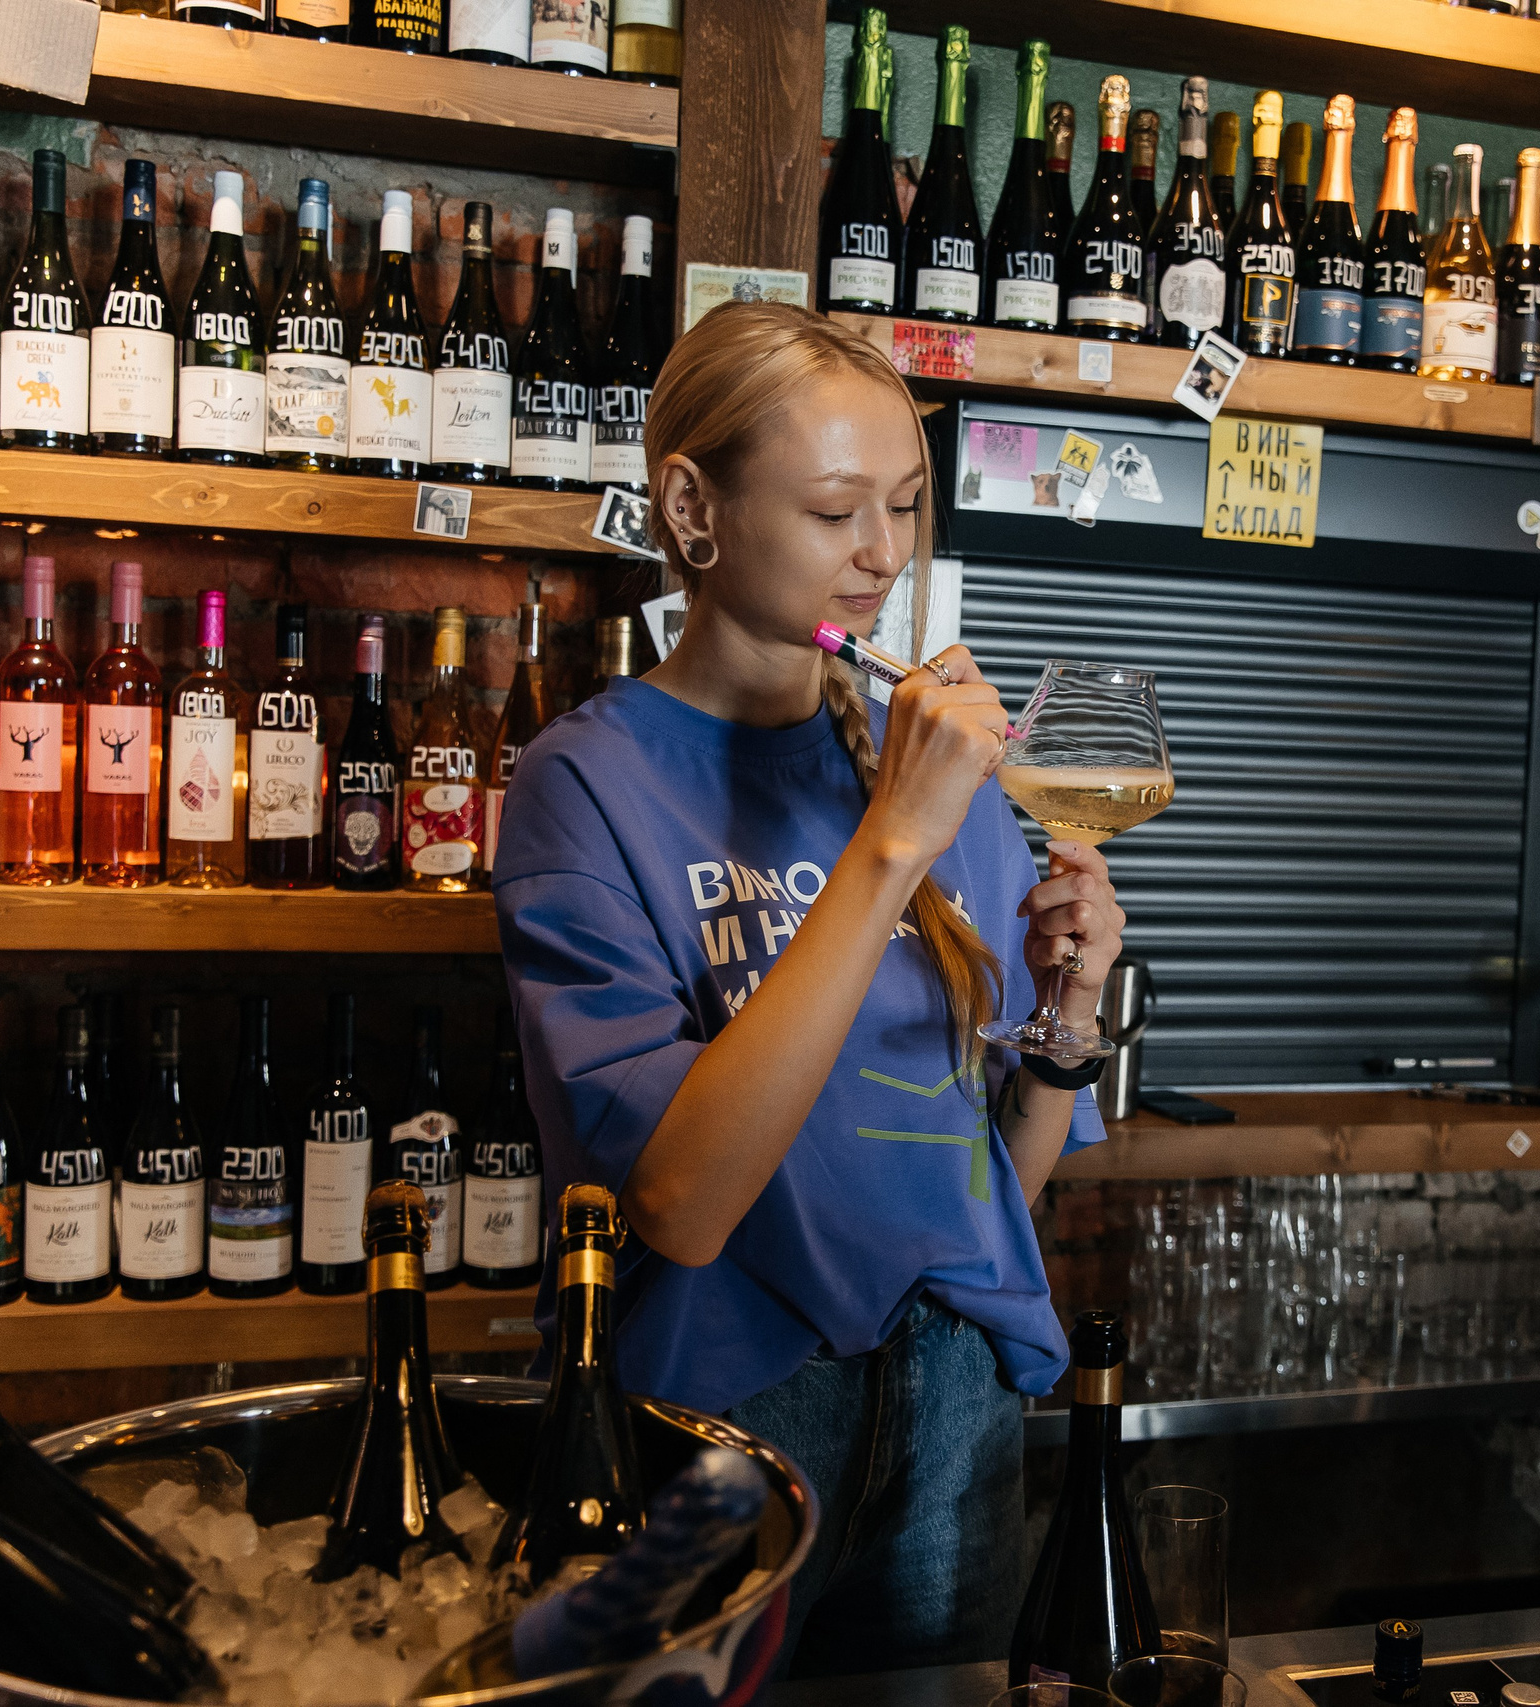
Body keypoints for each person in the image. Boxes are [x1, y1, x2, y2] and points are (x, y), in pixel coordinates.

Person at [492, 302, 1126, 1678]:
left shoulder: (938, 776)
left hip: (957, 1403)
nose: (886, 557)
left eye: (904, 506)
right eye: (839, 510)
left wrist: (1067, 1030)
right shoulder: (584, 788)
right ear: (692, 506)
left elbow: (982, 1200)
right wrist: (890, 845)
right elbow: (683, 1199)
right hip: (721, 1423)